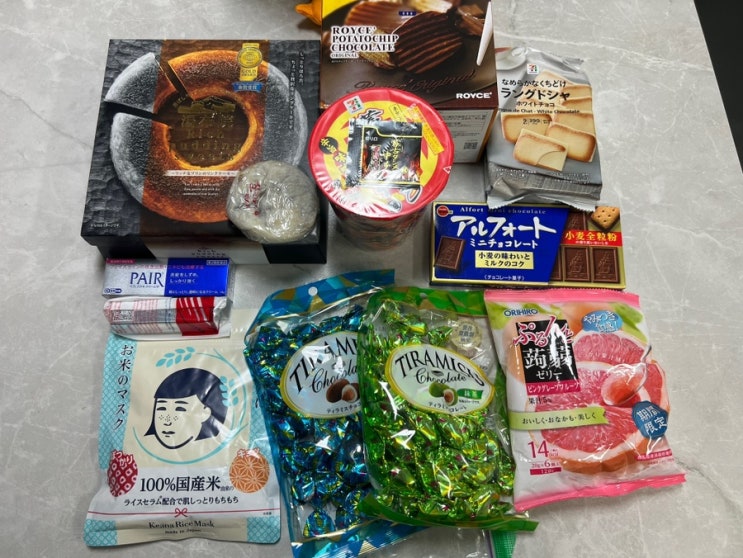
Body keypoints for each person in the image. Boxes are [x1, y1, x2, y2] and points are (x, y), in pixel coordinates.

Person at [144, 367, 228, 450]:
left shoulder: (216, 448)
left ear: (205, 413)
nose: (167, 421)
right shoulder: (144, 446)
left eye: (180, 409)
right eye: (162, 408)